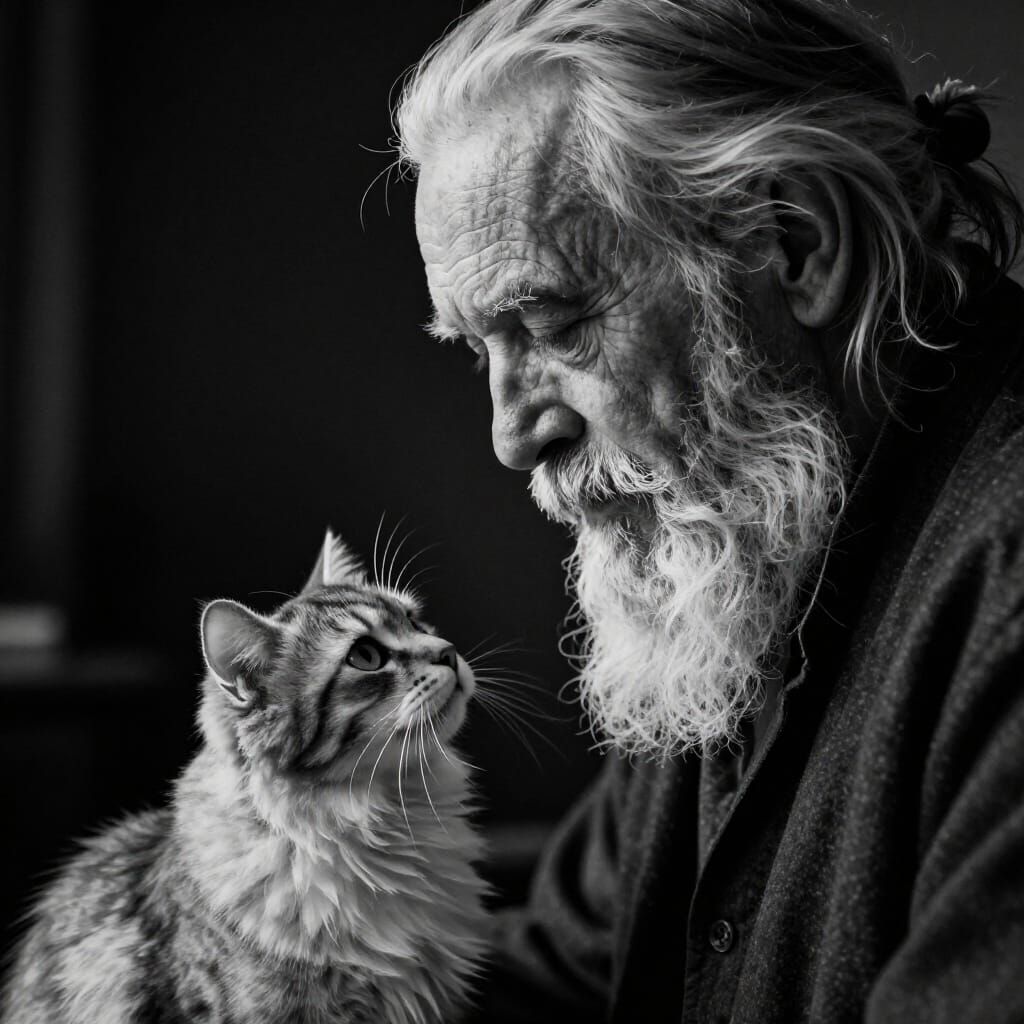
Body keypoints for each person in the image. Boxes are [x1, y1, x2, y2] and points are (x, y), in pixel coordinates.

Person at [395, 0, 1024, 1020]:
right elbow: (558, 972)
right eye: (478, 347)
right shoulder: (732, 559)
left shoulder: (1001, 589)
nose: (511, 435)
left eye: (552, 322)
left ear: (796, 243)